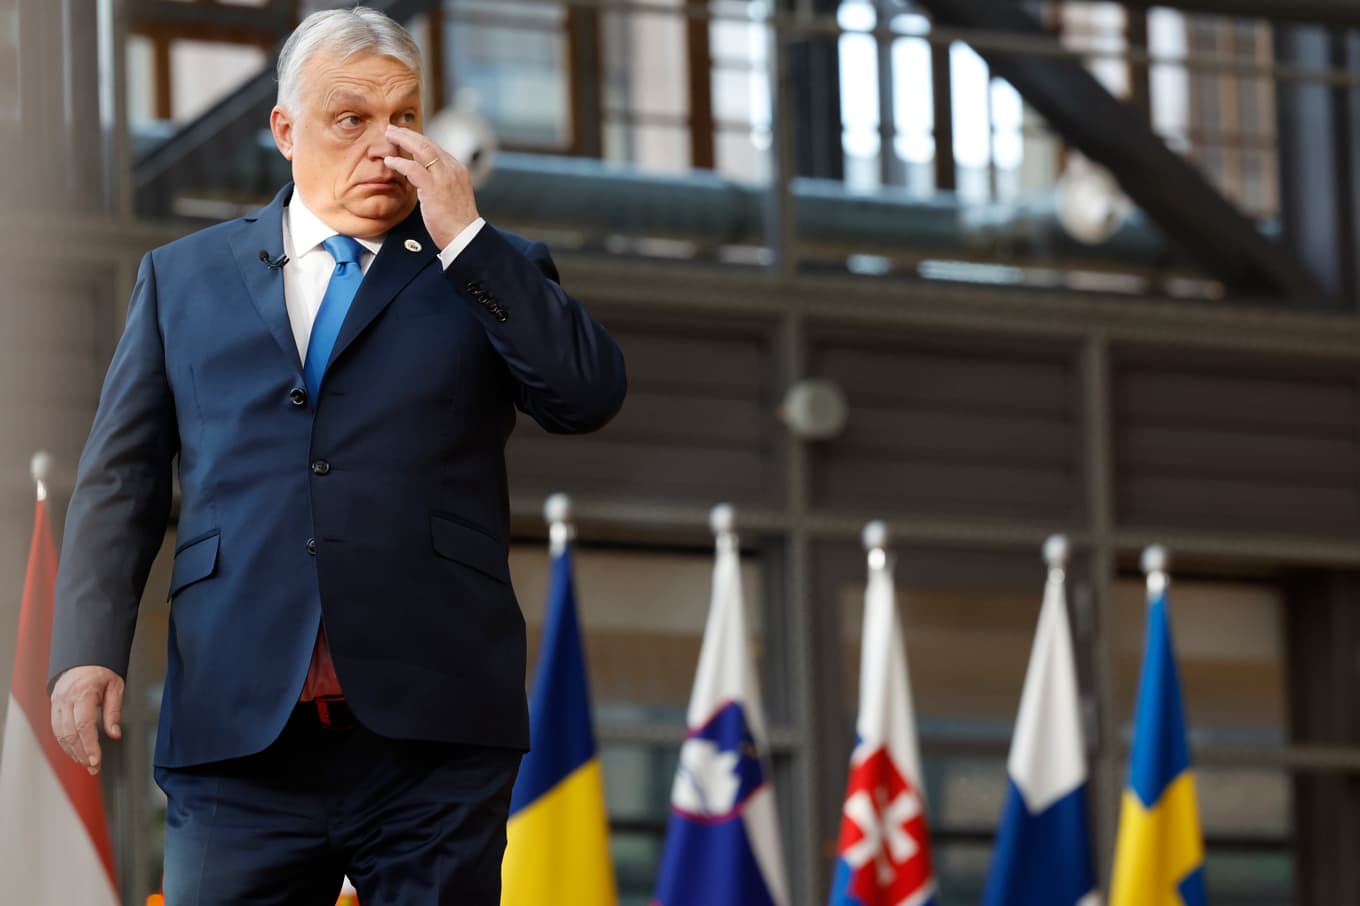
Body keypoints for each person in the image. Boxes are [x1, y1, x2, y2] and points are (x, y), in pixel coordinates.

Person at [45, 7, 627, 904]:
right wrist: (88, 647)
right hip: (238, 731)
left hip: (434, 736)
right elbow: (122, 479)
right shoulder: (182, 278)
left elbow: (586, 396)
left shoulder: (482, 268)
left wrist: (467, 239)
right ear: (286, 131)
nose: (385, 146)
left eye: (405, 118)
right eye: (352, 119)